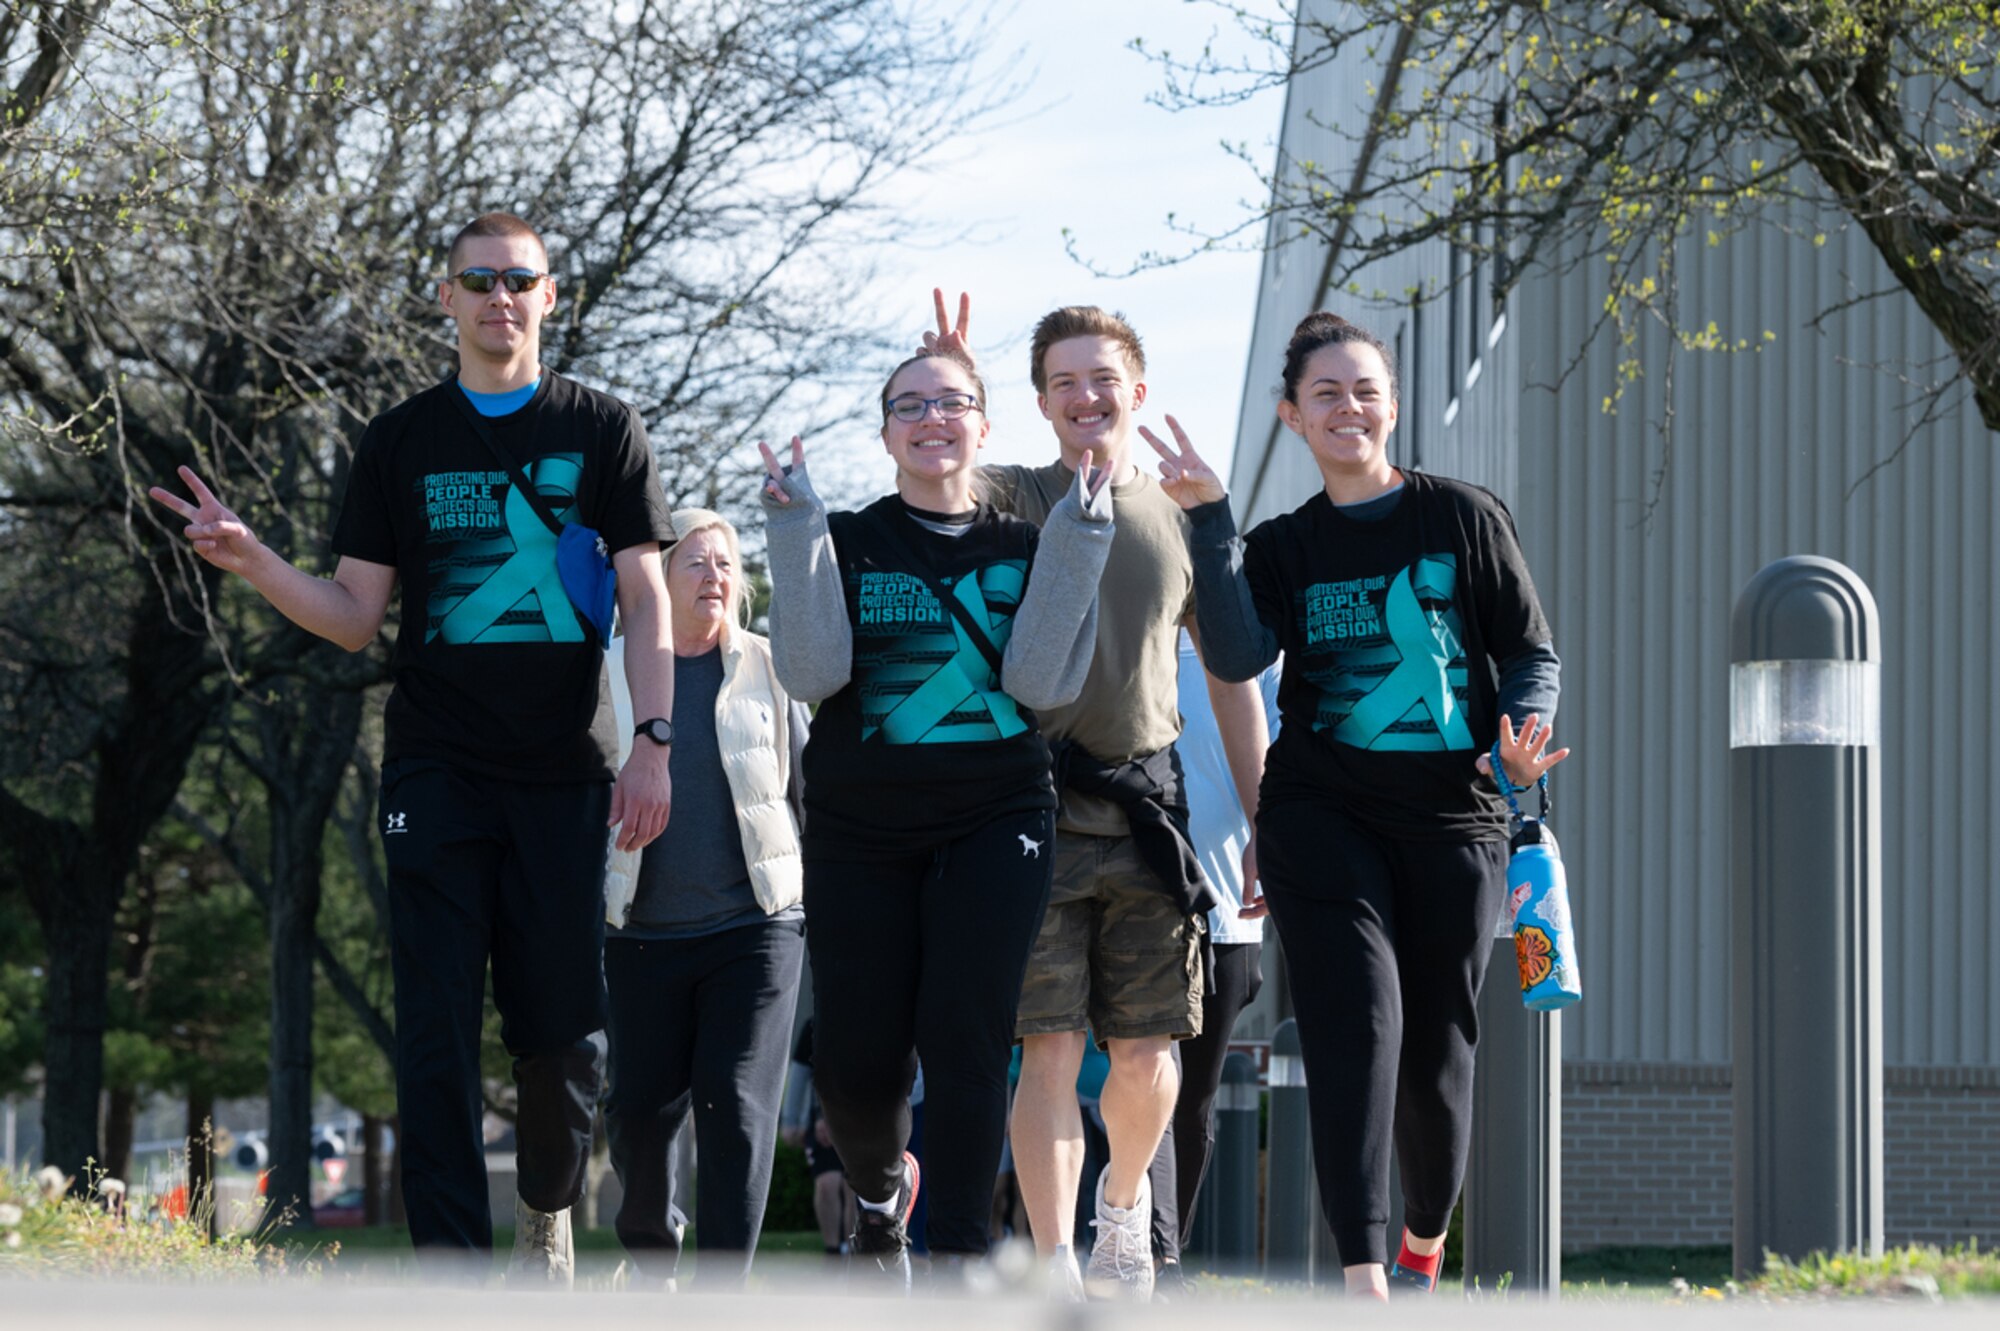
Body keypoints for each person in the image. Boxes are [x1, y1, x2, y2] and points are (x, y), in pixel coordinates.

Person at [149, 213, 677, 1284]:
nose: (498, 297)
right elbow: (354, 615)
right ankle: (449, 1282)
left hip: (563, 771)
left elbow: (646, 597)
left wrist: (654, 743)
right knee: (433, 1027)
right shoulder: (400, 438)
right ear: (445, 298)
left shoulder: (602, 429)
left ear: (549, 295)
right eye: (476, 280)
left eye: (518, 280)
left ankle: (544, 1206)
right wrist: (252, 561)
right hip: (435, 768)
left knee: (567, 1040)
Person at [1144, 310, 1569, 1299]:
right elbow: (1241, 654)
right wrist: (1209, 520)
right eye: (1325, 392)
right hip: (1318, 817)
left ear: (1390, 405)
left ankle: (1422, 1235)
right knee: (1354, 1026)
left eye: (1364, 388)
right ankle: (1364, 1271)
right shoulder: (1286, 545)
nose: (1347, 406)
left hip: (1454, 818)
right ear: (1292, 416)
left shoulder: (1462, 516)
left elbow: (1527, 650)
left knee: (1433, 1055)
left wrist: (1518, 732)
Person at [923, 293, 1268, 1301]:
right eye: (1063, 381)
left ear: (1137, 392)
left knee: (1147, 1047)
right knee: (1048, 1044)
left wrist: (1258, 817)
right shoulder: (1012, 496)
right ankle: (1058, 1257)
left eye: (1101, 379)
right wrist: (953, 382)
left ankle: (1121, 1204)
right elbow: (934, 469)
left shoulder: (1175, 512)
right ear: (1038, 402)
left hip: (1148, 811)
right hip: (1029, 810)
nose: (1084, 396)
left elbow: (1234, 670)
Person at [757, 348, 1112, 1288]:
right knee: (858, 1065)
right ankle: (880, 1196)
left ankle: (956, 1265)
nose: (931, 418)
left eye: (952, 402)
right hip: (860, 827)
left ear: (983, 427)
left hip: (996, 816)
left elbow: (1039, 683)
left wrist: (1081, 533)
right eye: (907, 406)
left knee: (967, 1037)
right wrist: (794, 528)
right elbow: (813, 674)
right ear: (884, 434)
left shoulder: (1026, 545)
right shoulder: (849, 538)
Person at [600, 507, 808, 1290]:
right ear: (657, 577)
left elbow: (809, 787)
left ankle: (724, 1293)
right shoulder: (610, 671)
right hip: (641, 932)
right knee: (639, 1117)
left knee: (734, 1100)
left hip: (755, 926)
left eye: (726, 562)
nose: (716, 575)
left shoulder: (769, 665)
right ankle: (655, 1264)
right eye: (696, 561)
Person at [1147, 632, 1280, 1294]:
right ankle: (1148, 1254)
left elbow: (1280, 778)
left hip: (1225, 914)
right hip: (1132, 908)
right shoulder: (1129, 633)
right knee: (1138, 1078)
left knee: (1189, 1103)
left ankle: (1164, 1247)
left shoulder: (1254, 661)